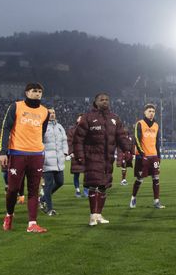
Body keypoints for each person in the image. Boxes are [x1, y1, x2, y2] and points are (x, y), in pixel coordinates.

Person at [0, 82, 50, 233]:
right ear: (27, 92)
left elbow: (42, 132)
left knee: (34, 190)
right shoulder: (16, 106)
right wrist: (3, 152)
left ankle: (32, 224)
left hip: (36, 155)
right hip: (17, 153)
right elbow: (6, 128)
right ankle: (9, 215)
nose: (37, 93)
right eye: (34, 91)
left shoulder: (44, 111)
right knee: (13, 189)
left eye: (40, 91)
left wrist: (38, 147)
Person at [73, 93, 132, 226]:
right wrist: (80, 155)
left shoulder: (114, 118)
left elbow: (121, 136)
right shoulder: (87, 117)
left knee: (104, 186)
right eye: (102, 100)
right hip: (92, 157)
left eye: (106, 99)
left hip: (107, 158)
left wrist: (127, 149)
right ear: (95, 102)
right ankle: (92, 216)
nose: (105, 101)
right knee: (94, 185)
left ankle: (99, 215)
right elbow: (78, 139)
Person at [130, 104, 165, 209]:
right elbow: (136, 139)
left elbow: (157, 142)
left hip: (153, 156)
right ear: (144, 112)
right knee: (140, 179)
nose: (151, 113)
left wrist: (158, 156)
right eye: (149, 111)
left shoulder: (156, 125)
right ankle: (133, 197)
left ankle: (156, 201)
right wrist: (142, 154)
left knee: (156, 178)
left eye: (153, 111)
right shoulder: (139, 124)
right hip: (142, 157)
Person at [40, 108, 68, 215]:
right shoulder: (42, 126)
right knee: (48, 184)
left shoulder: (59, 127)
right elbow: (38, 142)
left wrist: (65, 152)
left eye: (53, 113)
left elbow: (64, 141)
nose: (52, 115)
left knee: (60, 182)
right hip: (47, 160)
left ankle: (42, 199)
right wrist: (42, 156)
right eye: (50, 113)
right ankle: (49, 209)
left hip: (59, 161)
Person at [66, 114, 86, 197]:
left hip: (85, 154)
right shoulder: (72, 130)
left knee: (87, 174)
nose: (81, 119)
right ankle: (77, 190)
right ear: (77, 119)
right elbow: (69, 142)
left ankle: (86, 190)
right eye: (80, 118)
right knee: (76, 173)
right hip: (75, 154)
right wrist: (71, 152)